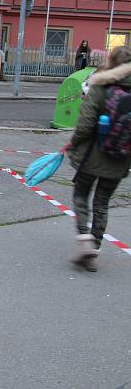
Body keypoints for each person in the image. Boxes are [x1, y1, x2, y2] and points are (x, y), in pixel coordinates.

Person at [67, 46, 131, 272]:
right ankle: (95, 246)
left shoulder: (100, 85)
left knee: (81, 194)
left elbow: (85, 125)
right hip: (120, 159)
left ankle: (84, 240)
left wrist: (72, 143)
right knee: (102, 203)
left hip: (92, 155)